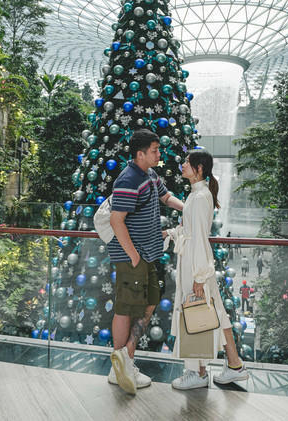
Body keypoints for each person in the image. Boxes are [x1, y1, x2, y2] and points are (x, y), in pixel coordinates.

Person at [108, 129, 184, 395]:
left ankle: (124, 360)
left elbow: (165, 197)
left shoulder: (150, 175)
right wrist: (133, 255)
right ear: (140, 154)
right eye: (154, 150)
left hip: (148, 255)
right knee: (126, 308)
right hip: (133, 257)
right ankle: (120, 368)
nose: (159, 154)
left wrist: (188, 207)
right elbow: (116, 220)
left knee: (149, 301)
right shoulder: (128, 179)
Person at [165, 149, 249, 390]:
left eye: (186, 163)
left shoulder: (200, 196)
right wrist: (172, 233)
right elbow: (192, 231)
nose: (182, 165)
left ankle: (198, 372)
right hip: (196, 261)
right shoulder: (197, 194)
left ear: (199, 168)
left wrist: (200, 276)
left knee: (195, 311)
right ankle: (233, 365)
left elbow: (200, 237)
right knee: (216, 313)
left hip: (196, 264)